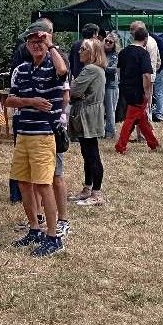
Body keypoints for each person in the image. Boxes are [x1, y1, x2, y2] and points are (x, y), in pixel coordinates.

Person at [6, 22, 68, 258]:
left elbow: (62, 72)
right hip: (23, 133)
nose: (36, 45)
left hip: (44, 135)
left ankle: (53, 237)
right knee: (23, 182)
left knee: (43, 185)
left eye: (40, 41)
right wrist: (30, 102)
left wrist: (50, 44)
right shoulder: (22, 69)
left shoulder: (54, 63)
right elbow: (9, 100)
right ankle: (34, 228)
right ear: (26, 45)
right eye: (32, 41)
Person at [68, 39, 107, 207]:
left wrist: (77, 92)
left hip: (88, 114)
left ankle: (96, 193)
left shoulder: (90, 69)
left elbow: (73, 90)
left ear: (91, 53)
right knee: (87, 153)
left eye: (83, 49)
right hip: (90, 112)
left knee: (92, 154)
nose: (79, 51)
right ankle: (87, 188)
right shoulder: (96, 69)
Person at [115, 27, 158, 154]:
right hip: (138, 90)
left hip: (125, 88)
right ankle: (120, 146)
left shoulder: (123, 52)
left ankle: (153, 143)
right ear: (145, 39)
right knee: (131, 119)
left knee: (141, 118)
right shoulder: (143, 53)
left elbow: (118, 70)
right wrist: (147, 92)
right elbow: (146, 75)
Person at [102, 32, 120, 139]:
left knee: (110, 110)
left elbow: (114, 70)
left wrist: (101, 67)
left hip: (111, 85)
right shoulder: (100, 52)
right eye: (106, 40)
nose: (108, 43)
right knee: (100, 109)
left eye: (110, 42)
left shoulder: (116, 55)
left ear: (115, 44)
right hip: (101, 84)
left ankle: (110, 131)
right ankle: (101, 130)